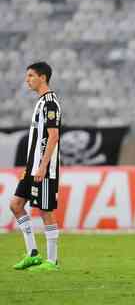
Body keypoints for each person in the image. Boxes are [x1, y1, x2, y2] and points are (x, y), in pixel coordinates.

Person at [10, 62, 62, 271]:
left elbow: (54, 136)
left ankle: (52, 261)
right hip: (31, 167)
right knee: (16, 205)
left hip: (44, 169)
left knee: (45, 210)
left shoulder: (50, 103)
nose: (27, 79)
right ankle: (32, 253)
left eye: (31, 75)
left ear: (43, 77)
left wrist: (43, 166)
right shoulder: (41, 103)